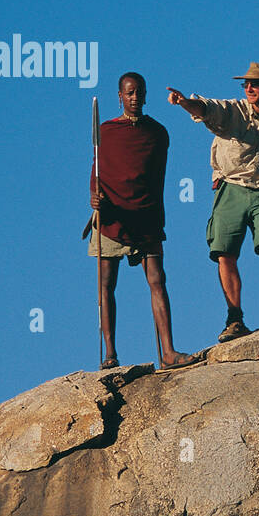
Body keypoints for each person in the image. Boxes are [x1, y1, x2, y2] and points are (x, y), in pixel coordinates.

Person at [167, 62, 259, 339]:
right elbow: (206, 108)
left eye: (255, 84)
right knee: (225, 252)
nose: (249, 88)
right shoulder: (234, 110)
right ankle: (235, 318)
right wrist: (185, 103)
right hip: (230, 186)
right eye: (246, 84)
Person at [88, 72, 198, 370]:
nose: (135, 98)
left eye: (140, 92)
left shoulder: (157, 133)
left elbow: (152, 177)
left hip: (146, 216)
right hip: (111, 217)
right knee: (106, 284)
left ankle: (168, 352)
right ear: (120, 96)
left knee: (157, 280)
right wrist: (94, 197)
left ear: (146, 95)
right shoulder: (106, 131)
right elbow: (97, 170)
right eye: (130, 93)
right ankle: (110, 354)